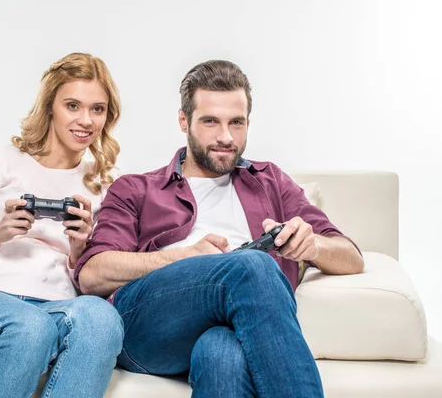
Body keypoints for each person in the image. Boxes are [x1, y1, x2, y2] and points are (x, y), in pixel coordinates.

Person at [75, 59, 364, 398]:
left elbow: (352, 257)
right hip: (148, 327)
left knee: (221, 352)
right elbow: (91, 274)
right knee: (252, 265)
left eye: (236, 123)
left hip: (233, 325)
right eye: (210, 121)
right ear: (184, 120)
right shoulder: (136, 188)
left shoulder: (270, 180)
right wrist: (184, 259)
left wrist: (312, 245)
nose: (225, 137)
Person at [0, 52, 124, 398]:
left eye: (97, 109)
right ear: (49, 107)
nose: (86, 120)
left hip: (55, 305)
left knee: (101, 319)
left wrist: (79, 249)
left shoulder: (105, 184)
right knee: (31, 328)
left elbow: (94, 284)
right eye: (73, 105)